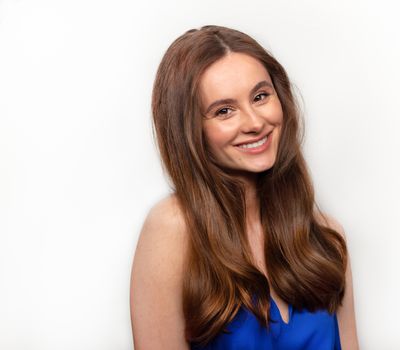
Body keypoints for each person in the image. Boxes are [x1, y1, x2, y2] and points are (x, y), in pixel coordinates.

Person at [130, 25, 359, 349]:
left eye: (260, 96)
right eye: (224, 110)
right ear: (190, 130)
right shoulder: (173, 228)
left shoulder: (325, 236)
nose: (254, 123)